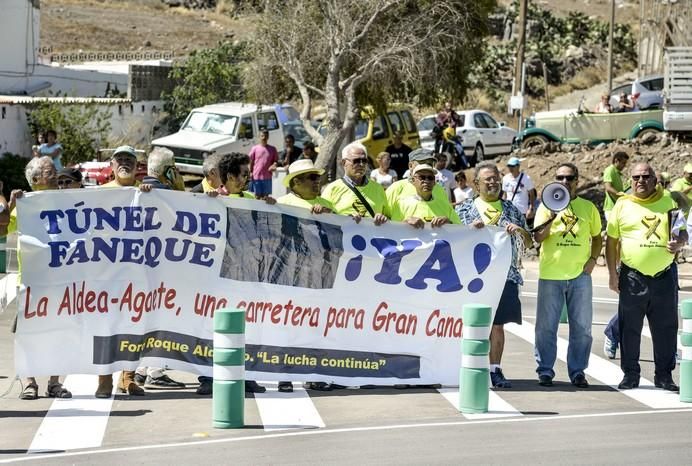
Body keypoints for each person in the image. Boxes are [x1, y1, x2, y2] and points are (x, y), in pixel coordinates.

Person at [606, 162, 688, 391]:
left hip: (664, 276)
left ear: (655, 180)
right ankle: (630, 375)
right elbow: (611, 241)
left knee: (666, 328)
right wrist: (613, 274)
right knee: (629, 327)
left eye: (645, 176)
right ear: (630, 181)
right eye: (635, 177)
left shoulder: (669, 201)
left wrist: (679, 242)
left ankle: (664, 376)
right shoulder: (622, 204)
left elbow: (682, 232)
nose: (640, 181)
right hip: (633, 276)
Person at [456, 162, 531, 388]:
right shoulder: (462, 210)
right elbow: (449, 240)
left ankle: (494, 370)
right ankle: (464, 367)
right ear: (476, 184)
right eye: (487, 179)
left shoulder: (511, 211)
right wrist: (468, 231)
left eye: (496, 178)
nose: (493, 182)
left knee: (497, 325)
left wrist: (519, 231)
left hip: (504, 277)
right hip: (471, 279)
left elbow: (529, 242)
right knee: (468, 325)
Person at [7, 157, 72, 400]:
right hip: (32, 282)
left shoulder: (68, 201)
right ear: (35, 180)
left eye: (54, 170)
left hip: (62, 280)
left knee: (60, 331)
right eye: (48, 171)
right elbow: (5, 229)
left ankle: (54, 383)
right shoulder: (25, 205)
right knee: (28, 335)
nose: (55, 174)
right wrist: (13, 204)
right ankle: (29, 382)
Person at [532, 163, 602, 388]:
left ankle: (578, 371)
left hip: (579, 276)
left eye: (569, 178)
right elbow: (538, 238)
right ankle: (545, 370)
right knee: (546, 327)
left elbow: (597, 237)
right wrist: (551, 216)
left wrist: (592, 261)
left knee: (581, 327)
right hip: (551, 274)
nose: (564, 182)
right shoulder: (545, 205)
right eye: (560, 177)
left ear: (576, 181)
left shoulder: (588, 207)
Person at [322, 142, 388, 225]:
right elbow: (323, 220)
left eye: (364, 161)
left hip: (372, 237)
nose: (361, 165)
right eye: (356, 161)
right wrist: (344, 219)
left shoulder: (378, 188)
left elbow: (389, 218)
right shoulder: (332, 189)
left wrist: (382, 218)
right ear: (343, 163)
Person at [391, 164, 460, 226]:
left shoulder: (445, 205)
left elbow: (460, 229)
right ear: (413, 180)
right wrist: (405, 223)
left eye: (430, 178)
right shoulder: (401, 204)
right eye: (422, 177)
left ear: (434, 182)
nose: (427, 181)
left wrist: (449, 223)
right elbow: (393, 231)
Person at [502, 157, 536, 227]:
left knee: (523, 230)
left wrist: (531, 208)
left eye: (512, 166)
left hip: (522, 210)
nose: (510, 168)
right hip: (510, 210)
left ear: (518, 166)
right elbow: (505, 194)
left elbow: (532, 194)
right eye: (509, 166)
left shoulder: (526, 178)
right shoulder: (505, 178)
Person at [248, 129, 278, 199]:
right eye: (262, 136)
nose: (264, 137)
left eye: (266, 136)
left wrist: (274, 165)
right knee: (256, 197)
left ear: (268, 137)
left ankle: (264, 210)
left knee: (265, 198)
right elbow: (250, 161)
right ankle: (255, 210)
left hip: (267, 177)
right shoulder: (254, 148)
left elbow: (276, 161)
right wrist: (250, 172)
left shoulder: (273, 149)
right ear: (259, 137)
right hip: (256, 177)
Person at [602, 151, 630, 221]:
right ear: (616, 161)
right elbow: (608, 187)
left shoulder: (617, 173)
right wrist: (622, 196)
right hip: (611, 209)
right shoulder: (610, 170)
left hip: (618, 208)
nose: (624, 165)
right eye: (623, 163)